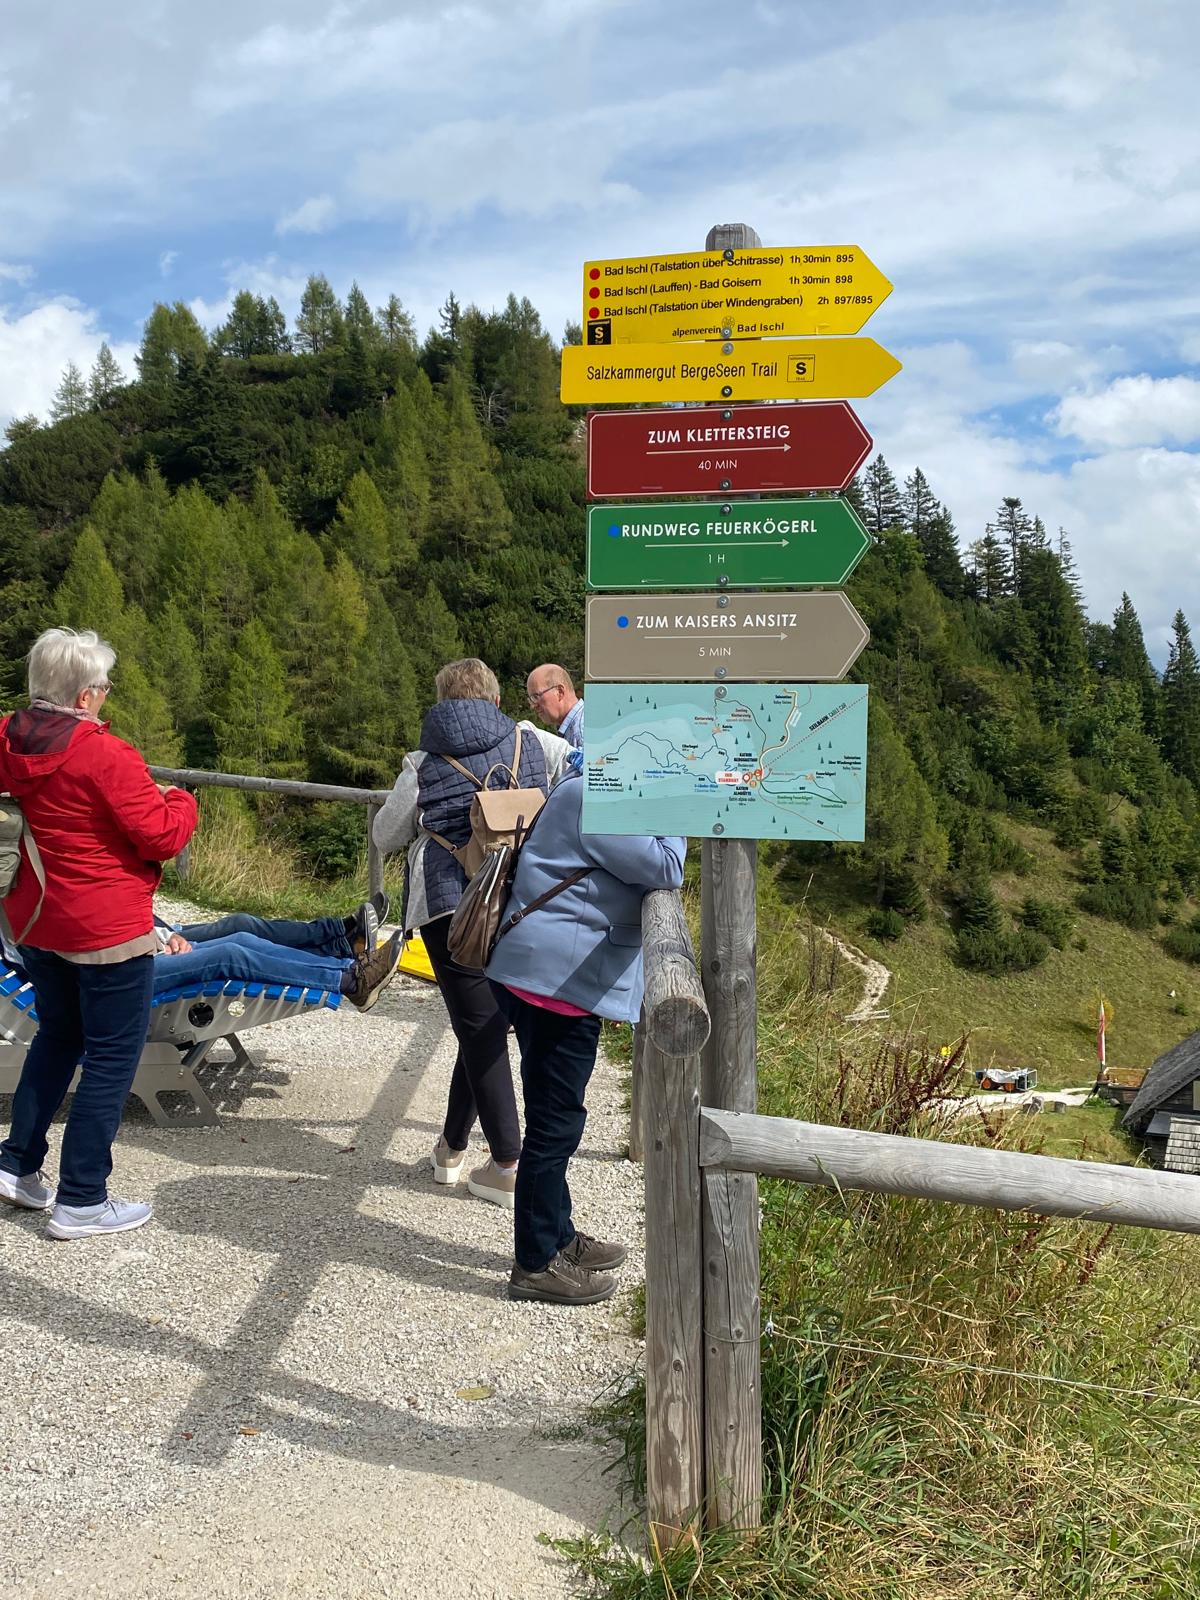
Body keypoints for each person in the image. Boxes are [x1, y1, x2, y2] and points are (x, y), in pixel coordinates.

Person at [0, 627, 197, 1240]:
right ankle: (82, 1199)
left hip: (34, 920)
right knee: (112, 1056)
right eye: (104, 687)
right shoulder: (105, 754)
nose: (106, 697)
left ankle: (16, 1164)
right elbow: (162, 835)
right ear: (85, 696)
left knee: (57, 1037)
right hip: (106, 929)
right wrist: (182, 800)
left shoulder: (4, 739)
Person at [373, 658, 572, 1207]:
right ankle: (452, 1146)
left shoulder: (422, 762)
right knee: (485, 1020)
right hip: (521, 900)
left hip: (449, 909)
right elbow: (580, 779)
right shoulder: (532, 742)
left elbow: (386, 835)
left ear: (442, 702)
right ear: (496, 698)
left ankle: (507, 1163)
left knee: (479, 1025)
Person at [486, 775, 685, 1305]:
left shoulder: (592, 788)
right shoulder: (601, 797)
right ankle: (535, 1263)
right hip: (553, 983)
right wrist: (681, 811)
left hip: (544, 974)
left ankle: (559, 1236)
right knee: (554, 1126)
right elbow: (667, 866)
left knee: (556, 1117)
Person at [525, 664, 584, 750]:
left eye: (536, 696)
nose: (533, 706)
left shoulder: (581, 733)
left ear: (560, 692)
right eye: (531, 699)